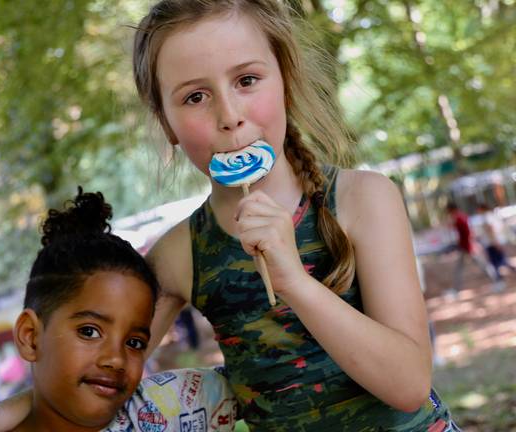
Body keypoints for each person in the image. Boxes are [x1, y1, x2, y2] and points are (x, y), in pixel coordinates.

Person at [133, 1, 458, 430]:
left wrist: (292, 281)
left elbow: (409, 383)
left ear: (285, 80)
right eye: (195, 96)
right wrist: (22, 408)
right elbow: (101, 375)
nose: (229, 116)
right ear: (166, 122)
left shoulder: (363, 199)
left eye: (247, 80)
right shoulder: (180, 254)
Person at [0, 189, 236, 431]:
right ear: (30, 336)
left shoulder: (168, 407)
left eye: (135, 342)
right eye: (89, 332)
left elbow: (261, 373)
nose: (116, 359)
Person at [446, 202, 498, 295]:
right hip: (466, 246)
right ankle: (456, 290)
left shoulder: (458, 218)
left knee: (481, 265)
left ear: (451, 209)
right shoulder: (461, 216)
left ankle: (497, 280)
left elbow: (466, 232)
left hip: (467, 247)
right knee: (461, 268)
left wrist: (469, 244)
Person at [475, 203, 514, 291]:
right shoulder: (491, 216)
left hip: (492, 243)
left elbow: (491, 230)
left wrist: (496, 243)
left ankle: (499, 282)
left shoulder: (486, 217)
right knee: (502, 262)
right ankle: (499, 281)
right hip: (494, 243)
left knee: (495, 263)